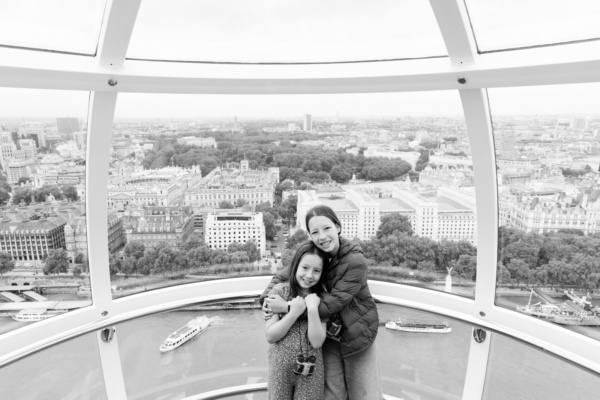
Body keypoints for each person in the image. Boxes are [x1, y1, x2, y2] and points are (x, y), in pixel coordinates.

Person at [261, 205, 383, 400]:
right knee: (333, 394)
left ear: (338, 227)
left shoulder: (355, 261)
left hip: (357, 334)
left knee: (365, 394)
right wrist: (267, 301)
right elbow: (282, 277)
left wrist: (286, 307)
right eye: (315, 232)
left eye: (327, 228)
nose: (322, 236)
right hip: (327, 336)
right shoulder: (315, 256)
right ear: (310, 235)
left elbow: (331, 305)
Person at [265, 241, 329, 400]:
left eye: (316, 271)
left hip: (311, 372)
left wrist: (313, 310)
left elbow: (317, 342)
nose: (309, 276)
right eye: (305, 268)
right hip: (280, 370)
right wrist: (293, 312)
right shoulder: (280, 291)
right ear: (296, 266)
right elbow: (270, 336)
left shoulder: (323, 298)